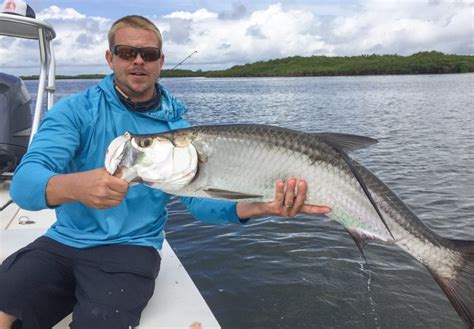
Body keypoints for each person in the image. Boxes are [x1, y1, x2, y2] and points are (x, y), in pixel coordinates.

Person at [0, 15, 330, 329]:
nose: (138, 61)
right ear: (110, 58)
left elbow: (201, 202)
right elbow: (25, 185)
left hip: (131, 248)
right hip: (63, 240)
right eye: (127, 53)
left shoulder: (179, 132)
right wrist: (75, 186)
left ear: (160, 61)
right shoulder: (75, 111)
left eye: (149, 54)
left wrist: (260, 206)